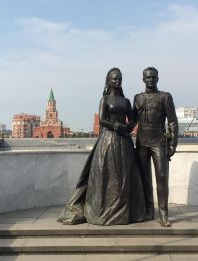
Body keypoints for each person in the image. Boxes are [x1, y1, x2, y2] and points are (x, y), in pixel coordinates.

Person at [57, 68, 152, 225]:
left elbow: (132, 120)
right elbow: (101, 119)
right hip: (108, 140)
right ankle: (105, 207)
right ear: (109, 81)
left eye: (119, 78)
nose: (117, 81)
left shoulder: (126, 101)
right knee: (109, 174)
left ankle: (126, 210)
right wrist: (115, 127)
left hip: (124, 142)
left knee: (125, 175)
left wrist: (127, 127)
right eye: (115, 79)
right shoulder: (105, 100)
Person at [132, 67, 178, 227]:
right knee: (144, 179)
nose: (150, 79)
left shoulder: (165, 97)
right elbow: (132, 121)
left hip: (159, 141)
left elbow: (172, 121)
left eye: (153, 77)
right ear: (143, 79)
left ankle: (164, 214)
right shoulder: (137, 98)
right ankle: (148, 210)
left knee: (162, 177)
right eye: (148, 77)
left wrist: (173, 143)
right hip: (142, 143)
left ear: (158, 78)